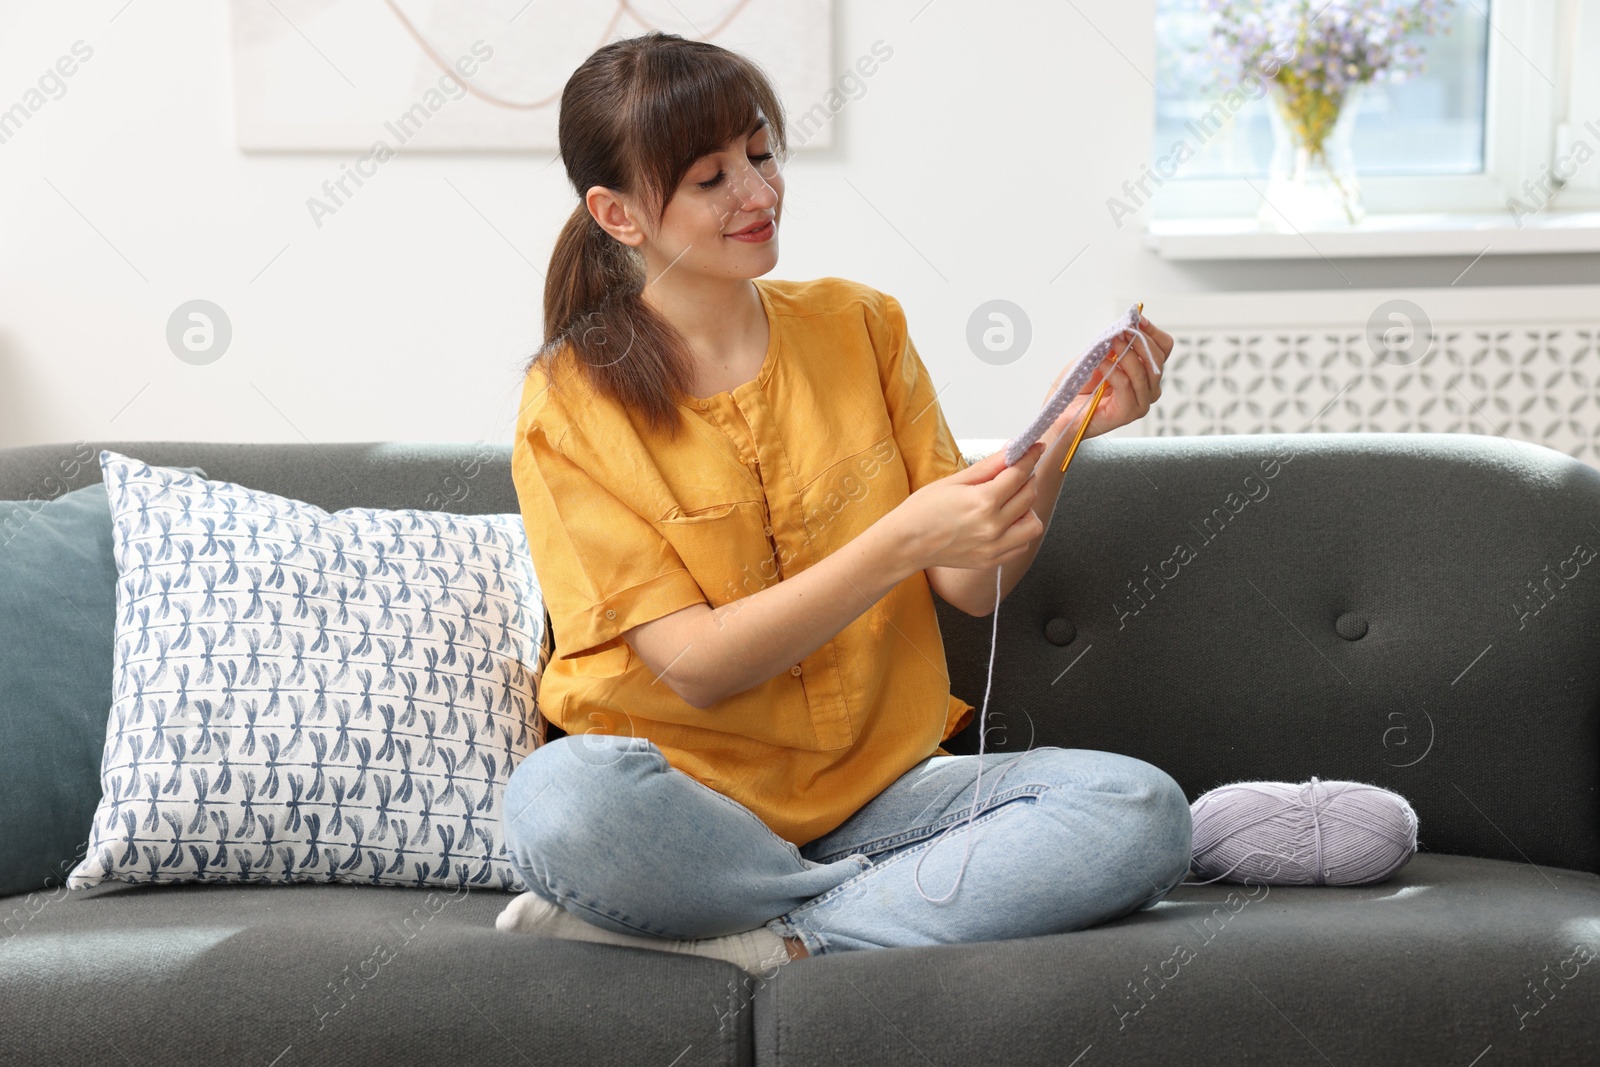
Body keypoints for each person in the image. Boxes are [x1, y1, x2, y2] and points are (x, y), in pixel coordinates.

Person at [497, 31, 1188, 978]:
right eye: (711, 178)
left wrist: (1065, 432)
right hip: (690, 809)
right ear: (617, 214)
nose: (758, 192)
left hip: (887, 795)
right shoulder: (571, 400)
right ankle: (878, 900)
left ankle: (780, 934)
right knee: (561, 798)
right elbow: (695, 665)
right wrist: (898, 539)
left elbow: (972, 585)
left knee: (1138, 810)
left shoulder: (862, 324)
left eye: (760, 153)